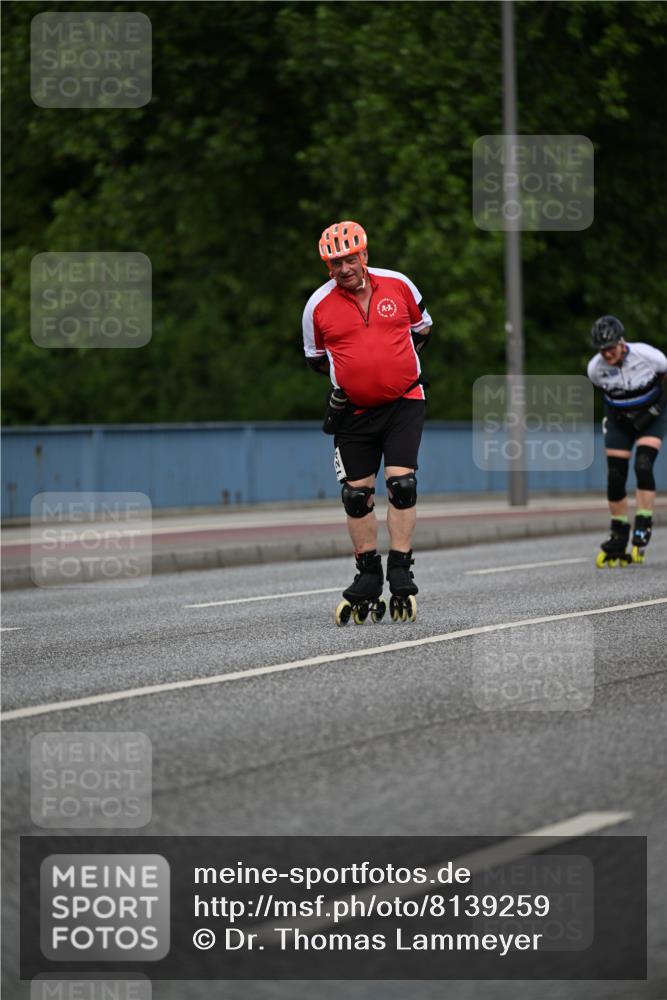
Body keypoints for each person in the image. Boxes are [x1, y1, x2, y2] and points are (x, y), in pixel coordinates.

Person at [302, 220, 433, 624]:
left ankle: (400, 569)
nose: (343, 268)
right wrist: (356, 377)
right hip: (353, 413)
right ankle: (367, 575)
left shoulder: (398, 285)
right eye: (334, 262)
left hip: (404, 402)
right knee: (356, 496)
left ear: (364, 255)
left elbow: (422, 329)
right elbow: (316, 359)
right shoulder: (317, 306)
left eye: (349, 258)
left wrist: (388, 366)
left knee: (401, 484)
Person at [587, 315, 667, 566]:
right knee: (615, 475)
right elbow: (606, 394)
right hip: (620, 419)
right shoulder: (595, 369)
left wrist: (658, 407)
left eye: (611, 348)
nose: (607, 354)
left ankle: (643, 522)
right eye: (602, 350)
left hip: (651, 416)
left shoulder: (648, 355)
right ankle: (619, 531)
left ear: (622, 342)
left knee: (643, 465)